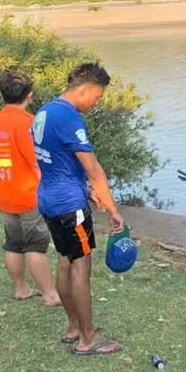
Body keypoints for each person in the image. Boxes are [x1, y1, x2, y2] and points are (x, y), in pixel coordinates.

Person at [33, 62, 124, 356]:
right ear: (85, 89)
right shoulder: (70, 118)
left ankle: (74, 327)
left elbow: (53, 162)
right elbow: (93, 170)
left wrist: (86, 191)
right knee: (81, 267)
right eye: (97, 96)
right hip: (69, 205)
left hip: (49, 199)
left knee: (65, 260)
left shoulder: (45, 111)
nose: (96, 103)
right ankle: (88, 339)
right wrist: (112, 209)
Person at [0, 71, 59, 307]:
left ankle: (21, 288)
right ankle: (49, 294)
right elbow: (38, 162)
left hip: (4, 193)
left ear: (1, 94)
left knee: (13, 243)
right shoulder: (29, 124)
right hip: (29, 194)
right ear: (29, 95)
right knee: (35, 246)